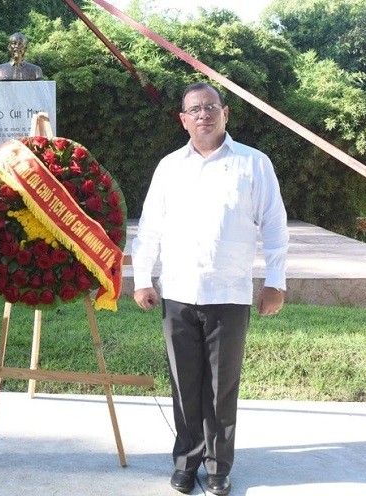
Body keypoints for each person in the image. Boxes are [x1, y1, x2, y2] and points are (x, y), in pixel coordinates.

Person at [132, 82, 289, 495]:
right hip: (179, 293)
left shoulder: (254, 164)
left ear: (225, 113)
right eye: (194, 109)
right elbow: (150, 227)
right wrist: (143, 279)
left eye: (211, 107)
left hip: (229, 294)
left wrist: (275, 282)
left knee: (222, 388)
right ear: (183, 119)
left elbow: (274, 225)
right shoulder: (169, 166)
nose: (203, 114)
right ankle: (186, 462)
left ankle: (219, 468)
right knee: (184, 385)